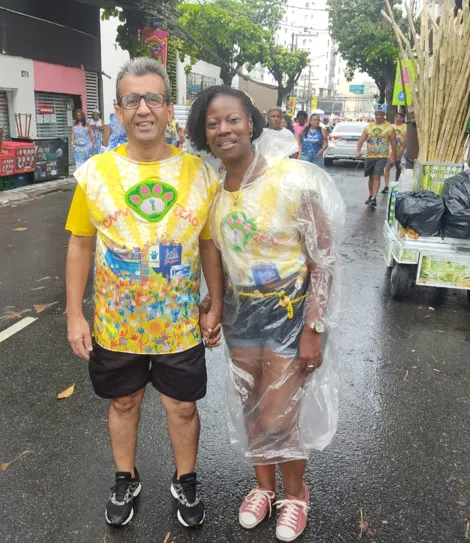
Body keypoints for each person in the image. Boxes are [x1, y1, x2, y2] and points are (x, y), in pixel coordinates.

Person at [65, 57, 224, 529]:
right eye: (131, 99)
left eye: (153, 97)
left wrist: (215, 301)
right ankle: (124, 478)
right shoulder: (94, 173)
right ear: (117, 110)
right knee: (124, 402)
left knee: (182, 405)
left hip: (178, 322)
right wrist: (76, 314)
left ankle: (186, 480)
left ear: (168, 107)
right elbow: (79, 243)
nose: (143, 109)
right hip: (117, 321)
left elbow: (209, 243)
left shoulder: (200, 174)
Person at [187, 86, 345, 542]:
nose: (223, 130)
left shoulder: (291, 178)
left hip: (292, 311)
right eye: (213, 123)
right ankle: (263, 488)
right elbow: (212, 255)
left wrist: (314, 326)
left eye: (232, 119)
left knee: (280, 413)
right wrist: (215, 307)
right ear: (206, 133)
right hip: (244, 316)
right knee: (253, 408)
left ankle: (295, 495)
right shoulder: (214, 195)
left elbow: (323, 258)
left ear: (251, 123)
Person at [356, 106, 396, 208]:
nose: (379, 116)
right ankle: (370, 196)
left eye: (381, 114)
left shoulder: (389, 127)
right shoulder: (368, 127)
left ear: (384, 115)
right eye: (377, 114)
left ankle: (374, 198)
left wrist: (394, 156)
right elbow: (361, 139)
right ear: (374, 115)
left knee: (376, 176)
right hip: (370, 155)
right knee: (370, 177)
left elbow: (393, 142)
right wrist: (358, 151)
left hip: (382, 156)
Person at [383, 111, 407, 194]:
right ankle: (386, 185)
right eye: (397, 117)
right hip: (390, 150)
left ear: (403, 118)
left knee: (399, 168)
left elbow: (406, 140)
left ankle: (397, 183)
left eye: (400, 117)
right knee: (387, 167)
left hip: (401, 150)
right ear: (394, 118)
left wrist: (401, 152)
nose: (398, 118)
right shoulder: (391, 127)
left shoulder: (405, 127)